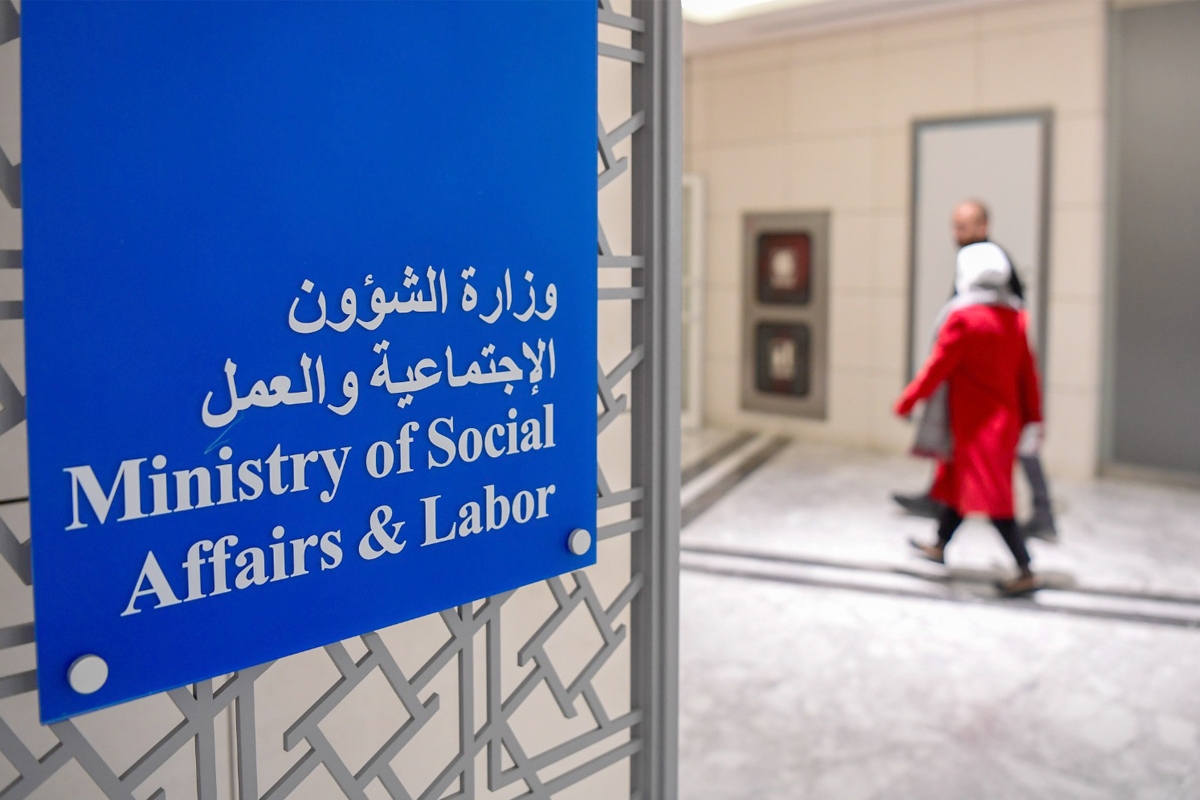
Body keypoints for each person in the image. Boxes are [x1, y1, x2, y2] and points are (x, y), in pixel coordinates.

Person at [892, 200, 1057, 542]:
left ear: (983, 226)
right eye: (955, 227)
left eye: (963, 227)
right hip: (977, 387)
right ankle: (941, 510)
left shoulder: (989, 271)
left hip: (994, 383)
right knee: (961, 453)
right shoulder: (974, 273)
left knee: (1013, 454)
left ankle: (1041, 516)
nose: (957, 234)